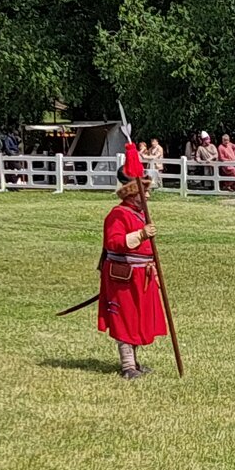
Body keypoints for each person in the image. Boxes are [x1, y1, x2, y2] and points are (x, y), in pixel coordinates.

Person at [98, 160, 166, 379]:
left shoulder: (139, 214)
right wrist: (141, 235)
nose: (148, 196)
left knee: (138, 318)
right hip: (123, 277)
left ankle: (134, 362)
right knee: (125, 317)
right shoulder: (118, 215)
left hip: (142, 275)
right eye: (144, 192)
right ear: (132, 194)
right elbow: (114, 242)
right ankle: (127, 365)